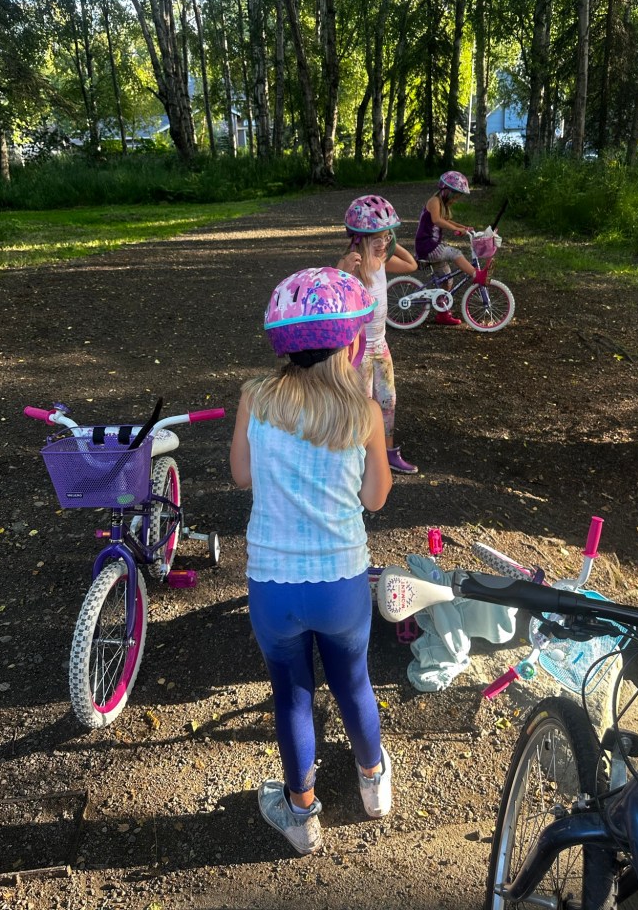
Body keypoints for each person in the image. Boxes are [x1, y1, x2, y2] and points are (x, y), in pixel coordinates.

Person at [230, 267, 394, 856]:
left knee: (292, 695)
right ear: (349, 345)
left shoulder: (256, 397)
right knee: (354, 683)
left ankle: (301, 814)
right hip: (341, 582)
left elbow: (242, 475)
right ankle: (373, 784)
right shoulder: (364, 413)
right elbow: (375, 498)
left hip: (273, 585)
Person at [338, 194, 419, 475]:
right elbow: (334, 293)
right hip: (358, 349)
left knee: (387, 400)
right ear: (359, 237)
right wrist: (343, 269)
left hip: (381, 345)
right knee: (361, 403)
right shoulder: (352, 264)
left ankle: (387, 453)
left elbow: (411, 265)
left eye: (387, 236)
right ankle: (360, 458)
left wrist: (391, 241)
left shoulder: (382, 260)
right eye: (377, 238)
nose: (383, 242)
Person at [414, 170, 488, 326]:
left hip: (432, 246)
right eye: (455, 196)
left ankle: (442, 313)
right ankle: (476, 275)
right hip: (428, 245)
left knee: (447, 280)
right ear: (446, 191)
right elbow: (437, 220)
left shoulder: (441, 204)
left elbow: (447, 221)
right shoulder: (434, 201)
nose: (455, 200)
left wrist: (463, 228)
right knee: (455, 253)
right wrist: (457, 229)